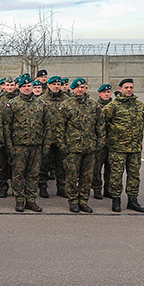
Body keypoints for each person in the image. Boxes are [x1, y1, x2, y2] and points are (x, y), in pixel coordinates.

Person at [1, 77, 50, 213]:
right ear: (19, 88)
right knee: (18, 174)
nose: (27, 88)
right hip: (19, 146)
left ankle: (31, 200)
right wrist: (9, 147)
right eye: (24, 86)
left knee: (33, 174)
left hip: (36, 145)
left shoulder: (41, 104)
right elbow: (6, 127)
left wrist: (46, 145)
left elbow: (47, 126)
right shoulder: (13, 104)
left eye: (29, 86)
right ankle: (20, 200)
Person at [102, 78, 144, 213]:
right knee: (116, 175)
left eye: (131, 88)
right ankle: (116, 200)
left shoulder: (140, 106)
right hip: (118, 148)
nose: (129, 90)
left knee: (134, 175)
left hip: (135, 148)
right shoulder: (112, 106)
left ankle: (133, 200)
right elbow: (102, 123)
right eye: (126, 88)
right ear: (120, 89)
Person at [59, 78, 102, 213]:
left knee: (87, 176)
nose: (80, 90)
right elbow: (60, 127)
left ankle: (83, 201)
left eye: (82, 87)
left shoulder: (93, 105)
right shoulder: (66, 105)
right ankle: (73, 201)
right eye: (77, 88)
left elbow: (100, 126)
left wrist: (100, 143)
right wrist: (62, 145)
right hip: (73, 148)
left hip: (89, 147)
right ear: (72, 89)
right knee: (71, 176)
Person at [91, 83, 113, 199]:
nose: (106, 94)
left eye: (108, 92)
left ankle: (108, 189)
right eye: (104, 92)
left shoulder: (115, 106)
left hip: (112, 142)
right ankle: (97, 188)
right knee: (96, 168)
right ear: (99, 94)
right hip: (99, 142)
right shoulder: (95, 106)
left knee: (110, 168)